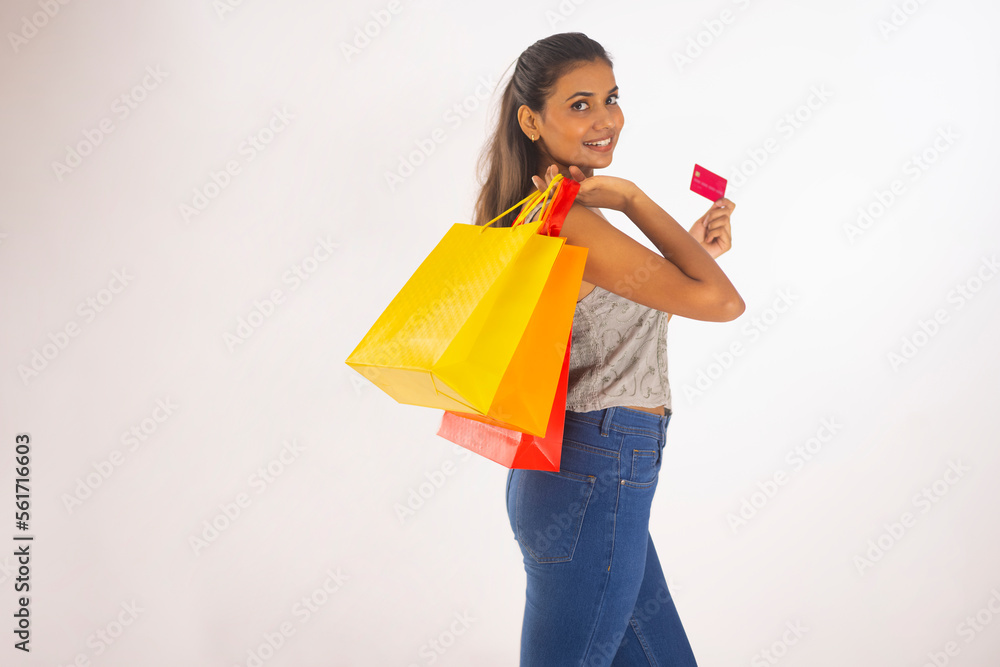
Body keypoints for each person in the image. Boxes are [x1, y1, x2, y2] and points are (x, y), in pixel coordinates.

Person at [473, 32, 744, 666]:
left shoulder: (545, 209)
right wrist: (631, 197)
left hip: (582, 471)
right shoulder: (576, 219)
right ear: (531, 120)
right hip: (595, 470)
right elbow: (722, 303)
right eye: (580, 104)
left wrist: (692, 251)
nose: (605, 120)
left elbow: (624, 314)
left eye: (612, 99)